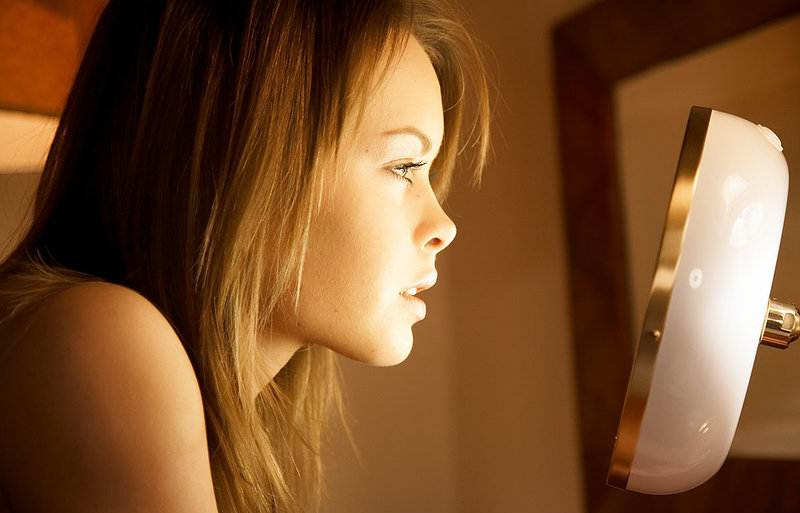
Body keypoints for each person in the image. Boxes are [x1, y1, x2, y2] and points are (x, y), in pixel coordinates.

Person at [0, 0, 489, 511]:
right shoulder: (96, 336)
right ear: (236, 159)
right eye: (404, 165)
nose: (445, 227)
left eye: (429, 172)